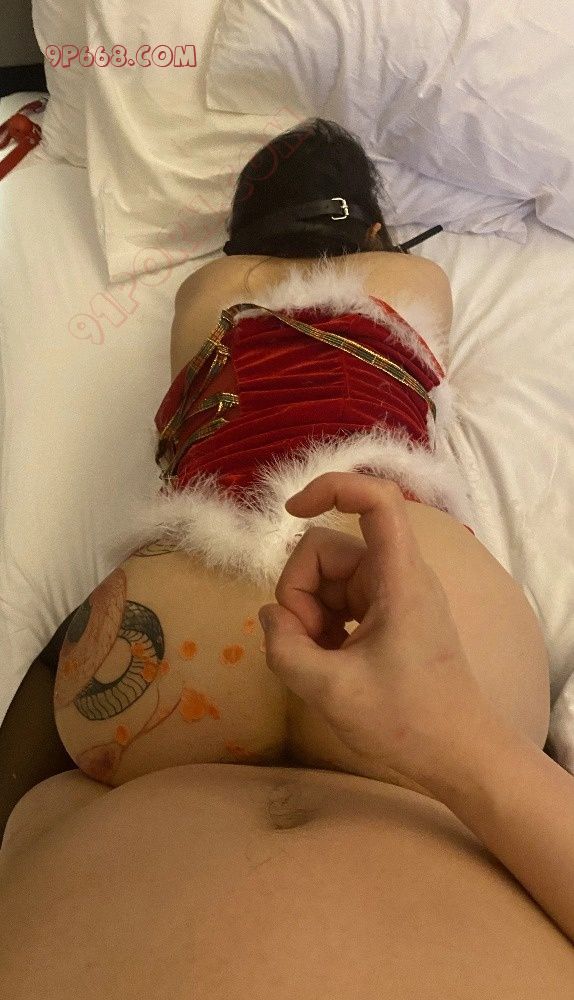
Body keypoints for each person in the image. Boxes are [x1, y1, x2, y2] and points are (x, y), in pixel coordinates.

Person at [1, 120, 572, 996]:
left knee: (54, 801)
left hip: (182, 611)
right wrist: (478, 754)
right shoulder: (416, 279)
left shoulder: (206, 289)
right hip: (392, 575)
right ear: (375, 232)